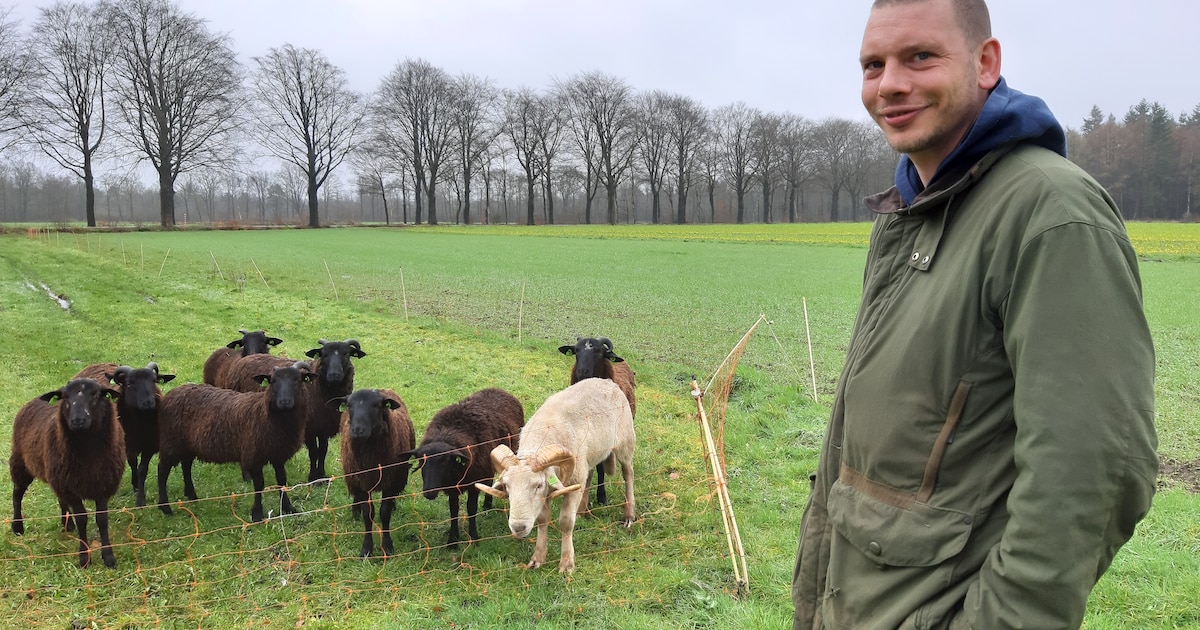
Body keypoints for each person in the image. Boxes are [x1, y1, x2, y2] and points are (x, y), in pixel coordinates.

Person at [791, 0, 1158, 628]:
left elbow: (1097, 472)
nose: (890, 85)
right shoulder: (912, 209)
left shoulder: (1051, 214)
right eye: (873, 65)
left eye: (920, 57)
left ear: (985, 62)